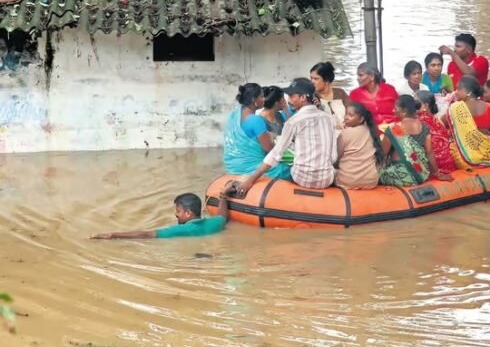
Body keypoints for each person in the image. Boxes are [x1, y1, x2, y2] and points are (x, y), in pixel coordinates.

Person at [236, 78, 336, 193]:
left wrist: (251, 179)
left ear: (303, 98)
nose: (288, 100)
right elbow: (333, 157)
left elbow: (274, 154)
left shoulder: (293, 121)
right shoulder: (328, 118)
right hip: (327, 179)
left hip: (302, 179)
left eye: (292, 96)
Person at [90, 190, 232, 239]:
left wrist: (114, 235)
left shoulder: (179, 230)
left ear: (188, 213)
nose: (176, 215)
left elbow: (146, 235)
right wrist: (223, 197)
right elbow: (223, 216)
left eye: (178, 211)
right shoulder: (215, 223)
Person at [380, 95, 453, 186]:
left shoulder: (393, 128)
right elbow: (429, 152)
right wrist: (437, 173)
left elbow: (381, 155)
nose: (393, 110)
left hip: (400, 175)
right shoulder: (424, 127)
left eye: (395, 108)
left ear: (404, 111)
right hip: (420, 175)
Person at [444, 77, 490, 168]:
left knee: (450, 144)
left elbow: (440, 124)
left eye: (458, 89)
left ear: (468, 92)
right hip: (486, 156)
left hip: (465, 158)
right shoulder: (489, 107)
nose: (455, 92)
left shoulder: (456, 108)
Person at [223, 84, 291, 179]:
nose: (264, 99)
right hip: (251, 168)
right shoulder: (256, 120)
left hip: (231, 167)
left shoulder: (234, 115)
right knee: (289, 169)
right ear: (253, 100)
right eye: (261, 96)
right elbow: (270, 150)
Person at [335, 102, 383, 189]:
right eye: (346, 114)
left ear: (361, 119)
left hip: (348, 181)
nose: (346, 117)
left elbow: (336, 157)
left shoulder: (345, 133)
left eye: (350, 115)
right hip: (371, 181)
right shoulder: (372, 132)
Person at [415, 90, 456, 174]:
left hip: (435, 165)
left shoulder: (420, 121)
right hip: (448, 162)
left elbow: (427, 151)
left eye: (416, 103)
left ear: (425, 106)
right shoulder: (437, 120)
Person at [310, 62, 350, 129]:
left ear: (327, 80)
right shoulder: (313, 97)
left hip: (346, 133)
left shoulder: (340, 93)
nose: (312, 82)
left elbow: (352, 112)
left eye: (316, 79)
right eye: (311, 78)